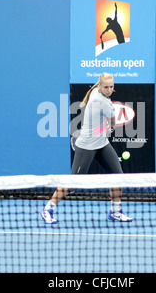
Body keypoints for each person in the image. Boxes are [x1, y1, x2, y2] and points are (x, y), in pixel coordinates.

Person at [40, 72, 133, 224]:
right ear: (100, 86)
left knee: (118, 176)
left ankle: (115, 211)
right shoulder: (103, 102)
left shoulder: (96, 90)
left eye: (111, 87)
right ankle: (47, 209)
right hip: (87, 146)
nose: (109, 90)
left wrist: (105, 128)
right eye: (106, 87)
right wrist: (111, 127)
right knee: (73, 182)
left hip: (101, 143)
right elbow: (113, 122)